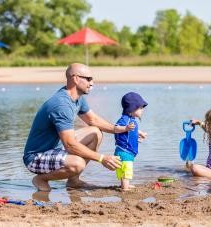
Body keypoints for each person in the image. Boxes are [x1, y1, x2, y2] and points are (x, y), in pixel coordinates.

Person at [23, 63, 134, 192]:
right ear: (75, 78)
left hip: (55, 148)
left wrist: (123, 129)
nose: (92, 83)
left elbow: (93, 120)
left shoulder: (76, 98)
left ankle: (73, 181)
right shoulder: (61, 105)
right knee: (77, 163)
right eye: (88, 79)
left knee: (95, 133)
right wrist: (102, 158)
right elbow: (70, 145)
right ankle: (41, 179)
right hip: (36, 157)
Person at [114, 92, 148, 191]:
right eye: (140, 108)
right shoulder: (125, 120)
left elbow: (130, 133)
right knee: (126, 171)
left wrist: (138, 135)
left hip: (126, 151)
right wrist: (125, 128)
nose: (142, 110)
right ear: (132, 108)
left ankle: (125, 185)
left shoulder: (131, 120)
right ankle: (125, 188)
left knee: (124, 171)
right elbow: (116, 128)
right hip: (124, 152)